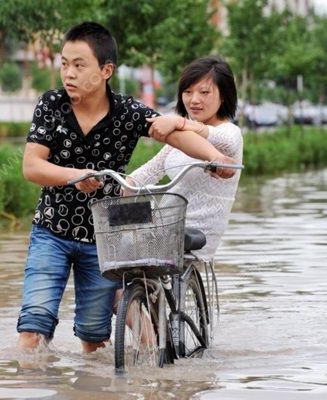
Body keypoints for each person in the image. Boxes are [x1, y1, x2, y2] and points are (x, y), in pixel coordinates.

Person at [17, 22, 238, 354]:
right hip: (52, 231)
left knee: (93, 337)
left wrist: (215, 159)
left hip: (103, 239)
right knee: (33, 328)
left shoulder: (128, 112)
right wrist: (73, 175)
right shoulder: (51, 105)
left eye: (79, 65)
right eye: (64, 64)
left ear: (106, 70)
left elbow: (174, 138)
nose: (69, 73)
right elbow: (32, 166)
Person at [127, 55, 243, 259]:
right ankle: (126, 291)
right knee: (112, 226)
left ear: (223, 95)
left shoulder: (230, 132)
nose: (194, 100)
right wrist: (119, 187)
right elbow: (150, 170)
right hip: (166, 220)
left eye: (204, 92)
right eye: (188, 92)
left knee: (131, 245)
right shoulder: (181, 138)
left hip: (199, 230)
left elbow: (221, 139)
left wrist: (178, 122)